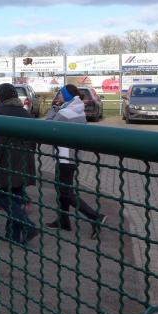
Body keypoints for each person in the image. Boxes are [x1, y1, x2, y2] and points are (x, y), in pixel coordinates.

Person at [45, 84, 107, 237]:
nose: (58, 97)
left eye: (60, 94)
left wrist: (53, 109)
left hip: (65, 156)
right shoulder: (78, 109)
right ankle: (63, 221)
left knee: (65, 192)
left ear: (67, 96)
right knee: (62, 189)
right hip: (73, 155)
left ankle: (95, 216)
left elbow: (48, 126)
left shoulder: (65, 112)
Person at [0, 83, 38, 246]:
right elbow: (33, 141)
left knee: (2, 196)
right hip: (25, 162)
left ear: (0, 97)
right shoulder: (25, 113)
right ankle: (12, 235)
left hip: (8, 163)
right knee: (16, 197)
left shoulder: (1, 112)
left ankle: (28, 226)